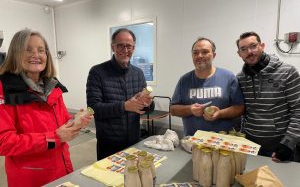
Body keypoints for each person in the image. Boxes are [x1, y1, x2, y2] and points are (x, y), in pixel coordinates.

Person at [0, 29, 93, 187]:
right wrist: (55, 137)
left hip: (63, 168)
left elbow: (62, 123)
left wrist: (76, 122)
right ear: (15, 53)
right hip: (31, 177)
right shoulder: (4, 91)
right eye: (28, 49)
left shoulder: (53, 87)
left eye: (41, 50)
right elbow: (4, 142)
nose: (36, 55)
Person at [86, 28, 154, 160]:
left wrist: (148, 104)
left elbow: (145, 108)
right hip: (109, 143)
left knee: (133, 178)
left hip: (134, 140)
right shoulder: (97, 72)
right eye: (120, 46)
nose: (125, 50)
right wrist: (125, 106)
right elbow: (94, 108)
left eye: (129, 46)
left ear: (133, 48)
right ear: (113, 47)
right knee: (107, 179)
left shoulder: (138, 73)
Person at [236, 31, 300, 162]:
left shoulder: (287, 72)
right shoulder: (240, 78)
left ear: (262, 46)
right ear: (239, 54)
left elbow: (298, 110)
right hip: (249, 146)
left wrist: (288, 143)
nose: (249, 51)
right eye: (244, 49)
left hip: (279, 147)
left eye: (253, 46)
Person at [170, 37, 245, 136]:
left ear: (214, 55)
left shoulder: (228, 77)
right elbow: (173, 110)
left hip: (222, 143)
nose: (199, 56)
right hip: (192, 142)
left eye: (205, 52)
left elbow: (240, 108)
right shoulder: (184, 80)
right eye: (195, 53)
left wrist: (220, 114)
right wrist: (190, 109)